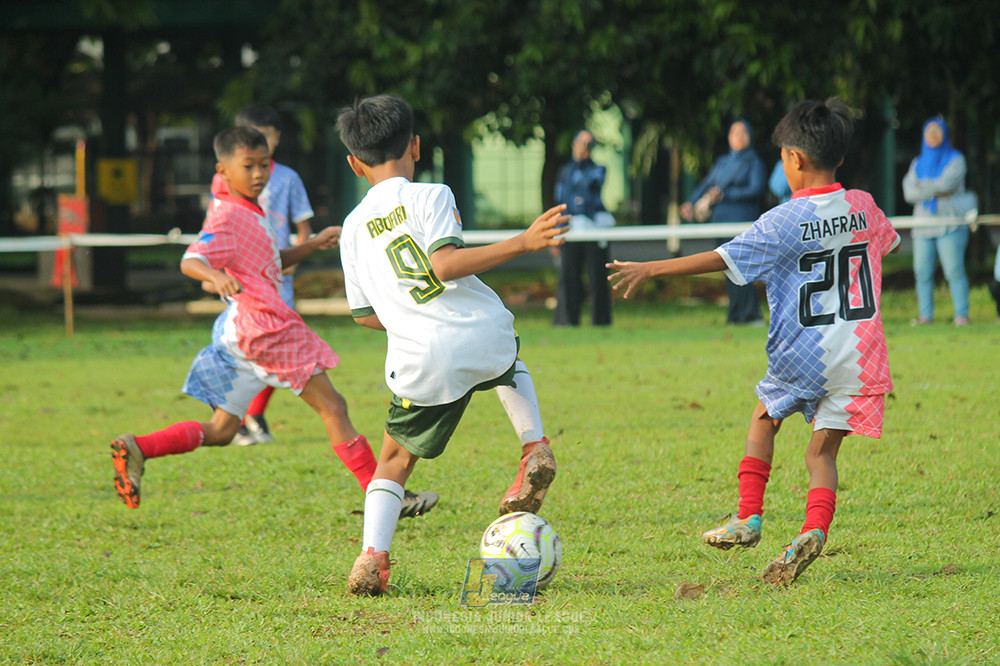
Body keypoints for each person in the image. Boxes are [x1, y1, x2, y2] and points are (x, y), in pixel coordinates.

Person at [609, 99, 900, 585]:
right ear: (840, 158)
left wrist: (652, 267)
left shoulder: (783, 220)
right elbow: (883, 248)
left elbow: (723, 258)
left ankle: (748, 518)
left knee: (764, 418)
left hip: (804, 350)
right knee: (821, 455)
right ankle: (812, 530)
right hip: (860, 355)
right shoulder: (864, 206)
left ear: (796, 160)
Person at [110, 126, 437, 519]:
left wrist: (311, 245)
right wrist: (213, 276)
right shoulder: (228, 216)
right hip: (265, 329)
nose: (259, 174)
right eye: (247, 166)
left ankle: (139, 447)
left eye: (264, 164)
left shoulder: (247, 207)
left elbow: (268, 264)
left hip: (239, 331)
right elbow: (192, 258)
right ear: (224, 170)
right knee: (334, 407)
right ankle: (387, 498)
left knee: (222, 431)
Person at [334, 95, 566, 596]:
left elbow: (364, 316)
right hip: (479, 331)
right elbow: (444, 263)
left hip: (419, 356)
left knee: (393, 462)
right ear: (415, 146)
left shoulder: (351, 228)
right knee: (506, 361)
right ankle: (534, 447)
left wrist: (407, 318)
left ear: (354, 164)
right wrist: (521, 243)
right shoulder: (431, 194)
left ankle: (373, 557)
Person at [209, 104, 315, 446]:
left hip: (278, 277)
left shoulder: (287, 178)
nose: (257, 172)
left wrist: (302, 250)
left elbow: (303, 226)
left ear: (276, 138)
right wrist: (212, 272)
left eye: (266, 137)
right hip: (244, 282)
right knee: (250, 347)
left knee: (278, 344)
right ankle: (235, 417)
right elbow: (214, 230)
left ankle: (251, 414)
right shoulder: (224, 181)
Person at [680, 119, 767, 324]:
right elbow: (706, 185)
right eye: (735, 132)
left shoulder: (754, 162)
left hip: (741, 221)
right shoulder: (722, 162)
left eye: (743, 132)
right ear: (729, 138)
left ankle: (750, 314)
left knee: (743, 268)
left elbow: (755, 190)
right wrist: (690, 203)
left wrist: (726, 195)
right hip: (719, 220)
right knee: (727, 268)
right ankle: (735, 314)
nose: (739, 136)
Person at [902, 116, 972, 326]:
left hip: (949, 222)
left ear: (944, 134)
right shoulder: (917, 163)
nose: (933, 136)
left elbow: (948, 184)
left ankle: (961, 314)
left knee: (954, 270)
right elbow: (908, 193)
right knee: (922, 272)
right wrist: (934, 189)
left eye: (937, 131)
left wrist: (923, 187)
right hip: (923, 225)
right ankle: (925, 316)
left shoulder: (956, 159)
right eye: (929, 132)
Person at [552, 129, 613, 327]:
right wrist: (556, 234)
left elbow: (591, 186)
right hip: (571, 230)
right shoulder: (565, 171)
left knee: (597, 277)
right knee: (568, 278)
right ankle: (567, 321)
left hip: (593, 228)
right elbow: (560, 202)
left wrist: (584, 158)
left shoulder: (597, 169)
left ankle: (601, 321)